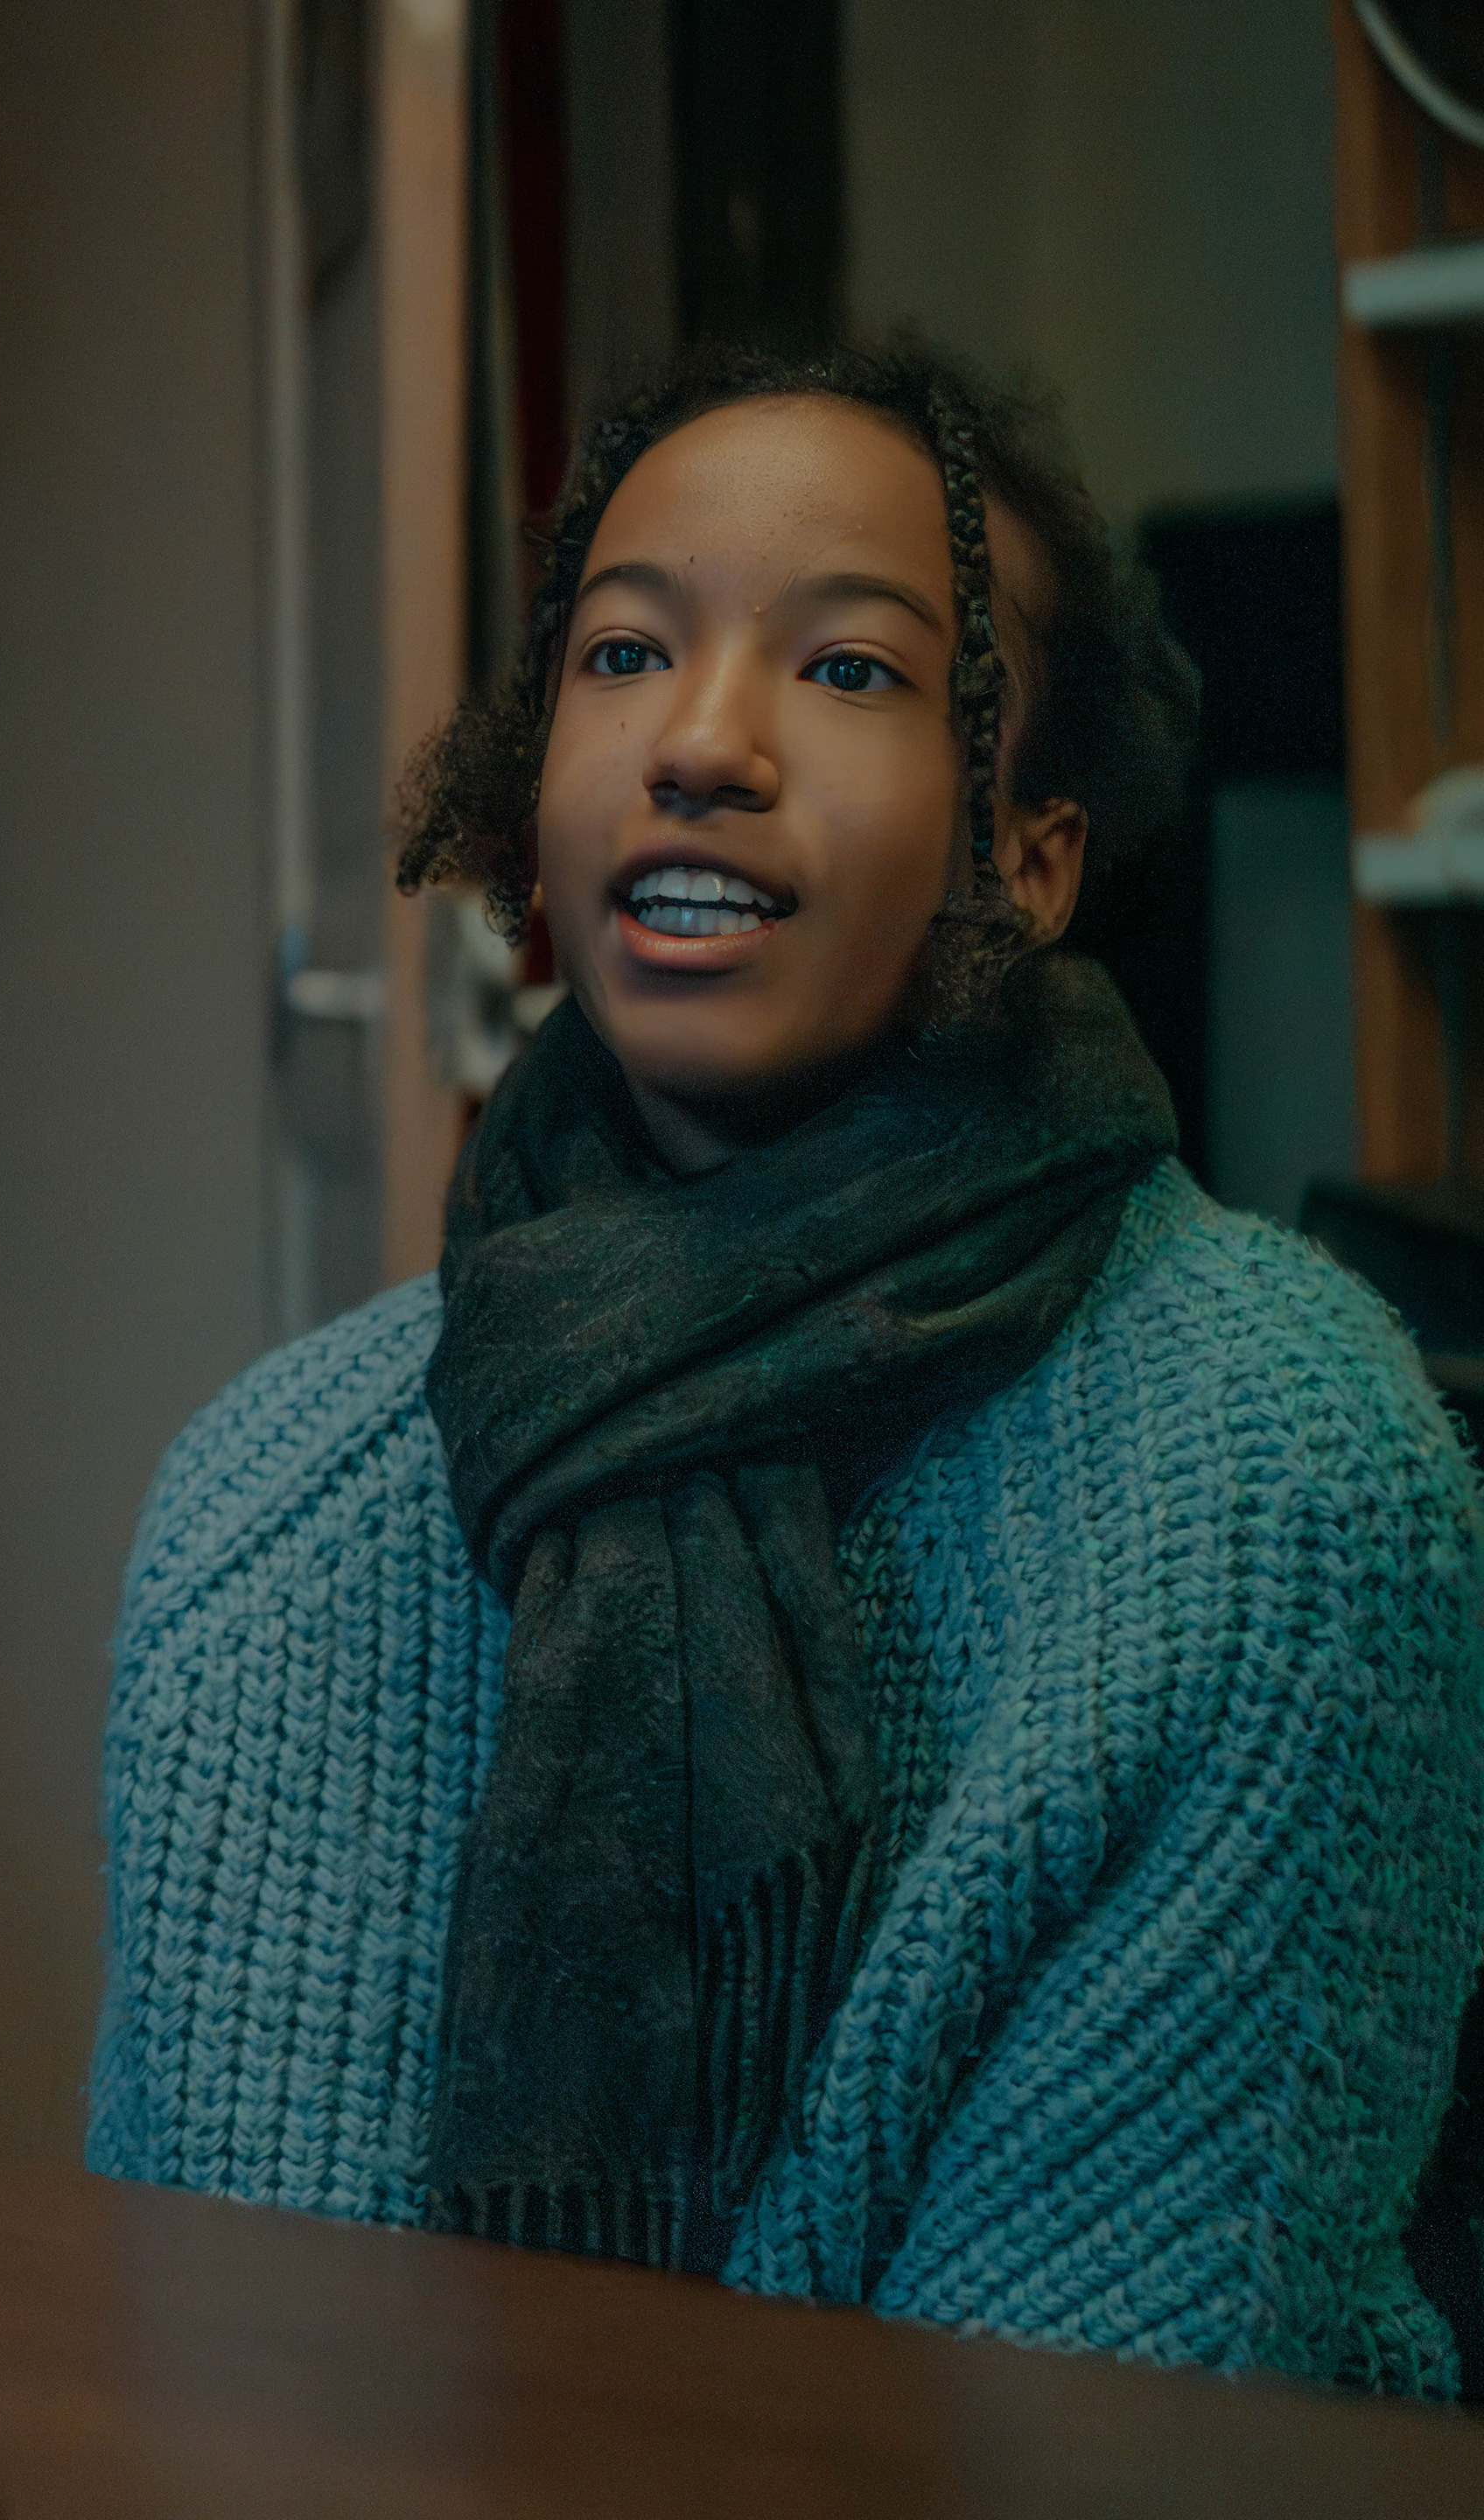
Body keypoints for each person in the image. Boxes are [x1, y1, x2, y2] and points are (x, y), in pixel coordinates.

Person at [88, 340, 1484, 2395]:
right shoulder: (261, 1516)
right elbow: (196, 2391)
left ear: (1031, 857)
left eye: (849, 668)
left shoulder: (1279, 1482)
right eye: (625, 653)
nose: (701, 742)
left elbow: (1105, 2446)